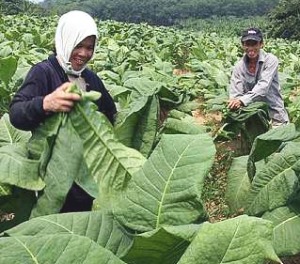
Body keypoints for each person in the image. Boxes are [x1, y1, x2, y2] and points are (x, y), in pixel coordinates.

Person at [9, 10, 117, 212]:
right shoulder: (43, 72)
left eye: (89, 48)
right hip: (54, 177)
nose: (84, 54)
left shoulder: (91, 79)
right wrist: (46, 103)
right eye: (78, 45)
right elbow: (16, 113)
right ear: (65, 40)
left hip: (89, 177)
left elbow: (111, 114)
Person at [228, 27, 289, 127]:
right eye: (247, 44)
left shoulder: (270, 60)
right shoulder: (238, 67)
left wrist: (242, 101)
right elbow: (236, 92)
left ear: (261, 44)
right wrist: (234, 101)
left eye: (254, 44)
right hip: (252, 116)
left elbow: (263, 87)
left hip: (274, 114)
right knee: (254, 142)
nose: (251, 48)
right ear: (242, 45)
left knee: (280, 141)